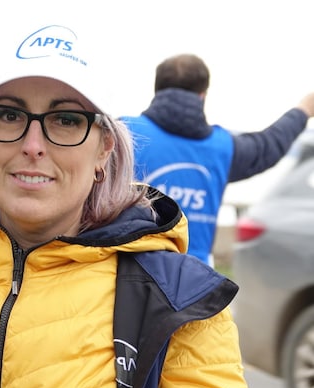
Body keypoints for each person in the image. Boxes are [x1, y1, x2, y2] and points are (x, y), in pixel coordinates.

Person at [0, 23, 248, 388]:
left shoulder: (181, 302)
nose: (33, 144)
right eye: (9, 115)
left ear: (103, 148)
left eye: (66, 120)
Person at [121, 54, 314, 266]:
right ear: (202, 95)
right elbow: (268, 145)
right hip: (194, 281)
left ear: (156, 90)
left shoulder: (123, 135)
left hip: (128, 270)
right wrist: (304, 109)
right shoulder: (224, 148)